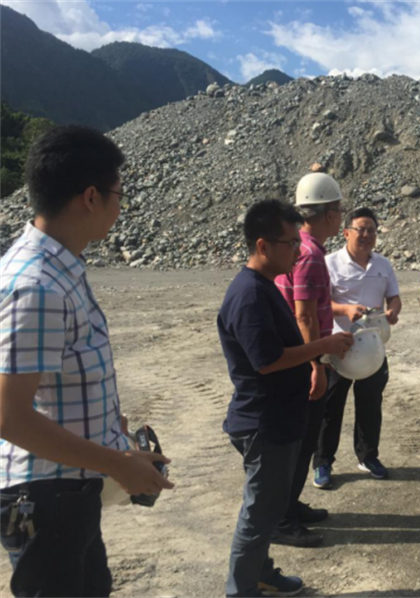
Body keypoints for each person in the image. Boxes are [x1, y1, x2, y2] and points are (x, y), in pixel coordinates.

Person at [0, 126, 174, 598]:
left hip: (68, 492)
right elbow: (10, 416)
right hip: (46, 499)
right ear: (91, 197)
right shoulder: (37, 286)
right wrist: (118, 463)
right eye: (119, 195)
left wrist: (110, 433)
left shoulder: (60, 269)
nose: (120, 208)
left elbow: (55, 385)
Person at [217, 199, 353, 597]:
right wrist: (322, 347)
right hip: (264, 422)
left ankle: (260, 572)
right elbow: (268, 361)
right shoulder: (249, 295)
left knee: (269, 505)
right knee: (260, 512)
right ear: (263, 245)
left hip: (276, 418)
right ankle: (241, 590)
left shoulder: (264, 285)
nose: (297, 250)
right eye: (290, 243)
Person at [272, 173, 344, 548]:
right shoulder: (312, 255)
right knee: (300, 444)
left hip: (295, 355)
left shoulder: (295, 246)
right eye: (339, 211)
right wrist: (316, 365)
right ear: (329, 214)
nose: (341, 217)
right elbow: (304, 315)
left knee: (298, 441)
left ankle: (289, 504)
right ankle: (283, 520)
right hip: (305, 362)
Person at [312, 207, 402, 488]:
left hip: (372, 348)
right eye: (360, 229)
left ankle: (368, 456)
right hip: (337, 346)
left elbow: (394, 297)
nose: (366, 235)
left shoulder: (383, 265)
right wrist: (345, 309)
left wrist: (393, 311)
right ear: (346, 232)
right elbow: (318, 304)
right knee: (330, 407)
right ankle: (323, 461)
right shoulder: (329, 263)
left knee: (370, 405)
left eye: (371, 230)